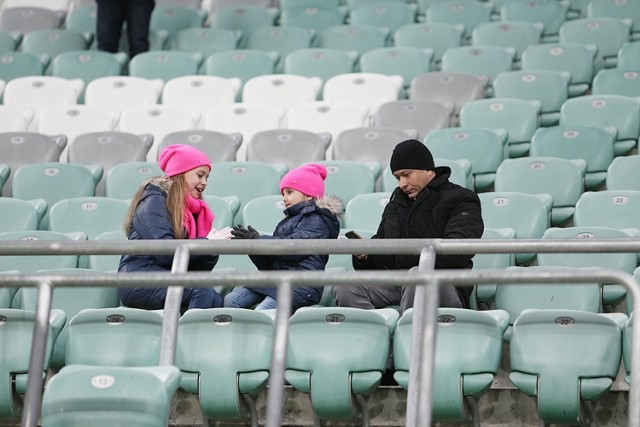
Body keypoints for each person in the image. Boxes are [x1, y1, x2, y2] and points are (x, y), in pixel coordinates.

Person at [333, 139, 484, 312]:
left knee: (416, 275)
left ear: (427, 170)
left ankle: (408, 336)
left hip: (442, 282)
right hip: (395, 281)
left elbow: (457, 251)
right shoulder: (396, 203)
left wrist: (410, 261)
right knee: (345, 285)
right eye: (398, 178)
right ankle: (380, 332)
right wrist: (367, 256)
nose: (402, 184)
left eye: (406, 174)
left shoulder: (462, 199)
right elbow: (383, 245)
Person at [118, 144, 233, 311]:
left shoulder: (190, 209)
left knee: (216, 300)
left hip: (166, 275)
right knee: (201, 290)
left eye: (207, 177)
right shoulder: (153, 201)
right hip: (138, 279)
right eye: (200, 175)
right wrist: (206, 244)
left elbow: (196, 270)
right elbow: (166, 253)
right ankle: (186, 337)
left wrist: (211, 248)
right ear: (180, 174)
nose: (204, 182)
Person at [224, 164, 342, 311]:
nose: (284, 198)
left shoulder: (317, 220)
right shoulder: (286, 222)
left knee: (263, 310)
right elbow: (269, 265)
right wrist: (253, 246)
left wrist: (259, 241)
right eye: (283, 194)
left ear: (308, 194)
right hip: (277, 280)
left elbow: (293, 249)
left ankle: (263, 334)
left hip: (301, 286)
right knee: (231, 299)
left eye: (290, 192)